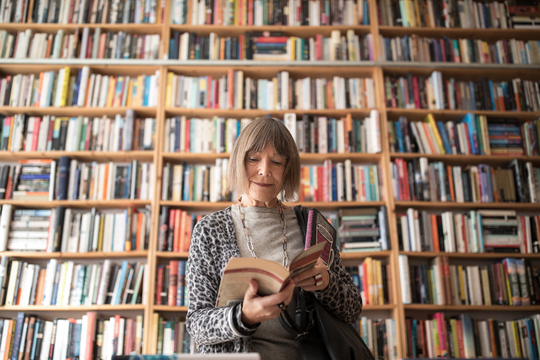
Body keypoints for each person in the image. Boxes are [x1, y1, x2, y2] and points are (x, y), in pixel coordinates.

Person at [186, 116, 362, 358]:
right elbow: (196, 325)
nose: (264, 171)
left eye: (276, 161)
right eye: (253, 159)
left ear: (287, 168)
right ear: (239, 161)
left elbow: (353, 309)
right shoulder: (210, 229)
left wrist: (327, 284)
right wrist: (243, 317)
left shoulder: (310, 225)